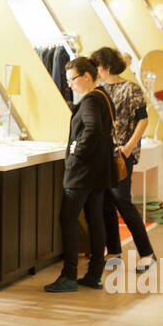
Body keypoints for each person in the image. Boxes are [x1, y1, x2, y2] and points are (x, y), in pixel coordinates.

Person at [44, 56, 115, 292]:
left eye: (72, 79)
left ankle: (69, 275)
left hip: (83, 172)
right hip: (98, 172)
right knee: (95, 220)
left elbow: (93, 129)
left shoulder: (91, 101)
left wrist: (77, 150)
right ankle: (94, 274)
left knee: (68, 219)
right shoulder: (104, 96)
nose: (70, 84)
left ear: (86, 76)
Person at [91, 47, 156, 272]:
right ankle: (114, 252)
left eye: (97, 66)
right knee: (106, 203)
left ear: (107, 66)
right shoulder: (98, 90)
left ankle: (147, 252)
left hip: (121, 153)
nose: (96, 70)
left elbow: (142, 120)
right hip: (102, 153)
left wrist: (128, 148)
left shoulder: (131, 88)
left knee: (122, 201)